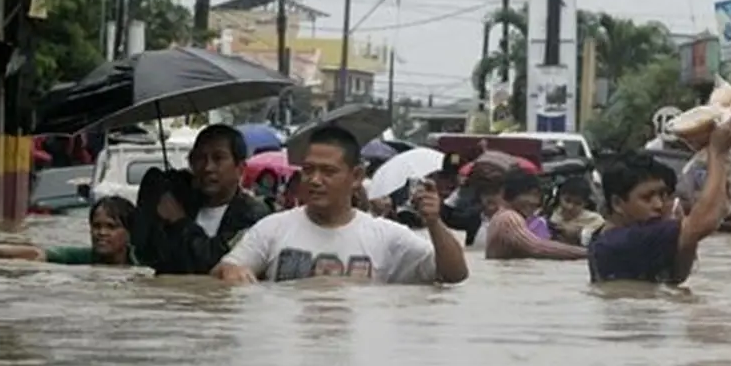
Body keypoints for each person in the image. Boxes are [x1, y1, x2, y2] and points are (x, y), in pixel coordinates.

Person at [211, 125, 468, 284]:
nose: (315, 180)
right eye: (309, 170)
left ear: (356, 177)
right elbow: (225, 269)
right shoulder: (272, 229)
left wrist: (434, 223)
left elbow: (454, 275)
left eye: (328, 171)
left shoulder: (385, 236)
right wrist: (231, 273)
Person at [587, 122, 731, 284]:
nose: (658, 205)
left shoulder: (604, 235)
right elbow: (706, 221)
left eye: (663, 195)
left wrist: (686, 238)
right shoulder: (625, 239)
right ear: (617, 203)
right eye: (647, 198)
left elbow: (676, 277)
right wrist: (718, 153)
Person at [130, 124, 270, 275]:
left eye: (218, 158)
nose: (208, 167)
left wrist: (179, 222)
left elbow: (213, 264)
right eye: (200, 158)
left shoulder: (253, 216)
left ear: (240, 168)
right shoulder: (182, 200)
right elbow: (146, 254)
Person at [0, 196, 137, 265]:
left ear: (130, 232)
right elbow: (36, 253)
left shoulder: (144, 260)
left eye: (111, 227)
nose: (101, 233)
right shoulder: (83, 257)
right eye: (96, 226)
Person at [485, 169, 587, 260]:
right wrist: (587, 253)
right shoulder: (508, 218)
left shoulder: (502, 216)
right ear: (512, 193)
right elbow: (536, 247)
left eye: (537, 196)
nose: (535, 201)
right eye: (531, 194)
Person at [549, 177, 606, 245]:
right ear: (560, 197)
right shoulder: (552, 215)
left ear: (585, 204)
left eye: (577, 203)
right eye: (567, 200)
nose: (570, 207)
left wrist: (579, 233)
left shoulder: (595, 220)